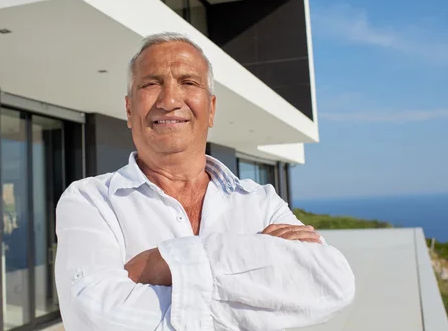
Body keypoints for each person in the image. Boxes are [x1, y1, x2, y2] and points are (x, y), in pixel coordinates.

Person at [54, 32, 355, 331]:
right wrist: (255, 260)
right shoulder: (89, 200)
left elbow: (331, 283)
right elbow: (95, 319)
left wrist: (166, 262)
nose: (170, 100)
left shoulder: (261, 200)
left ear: (211, 109)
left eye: (188, 82)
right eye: (151, 84)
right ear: (130, 110)